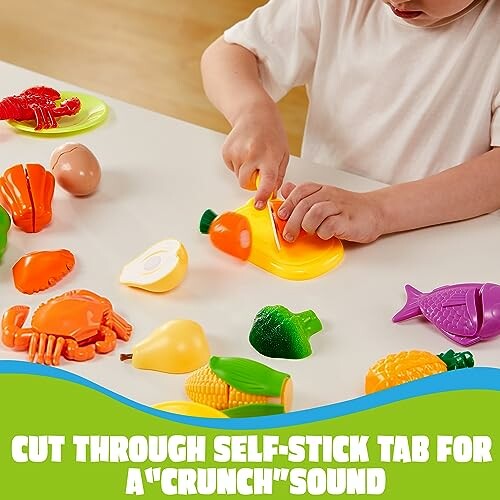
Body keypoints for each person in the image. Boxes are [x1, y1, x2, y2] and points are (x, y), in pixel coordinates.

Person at [200, 0, 500, 243]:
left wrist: (380, 210)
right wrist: (252, 110)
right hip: (323, 227)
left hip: (445, 244)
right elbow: (228, 52)